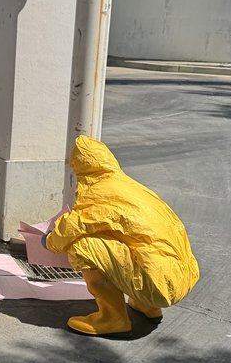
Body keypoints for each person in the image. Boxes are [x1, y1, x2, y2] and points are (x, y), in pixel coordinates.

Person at [42, 135, 200, 338]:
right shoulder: (128, 186)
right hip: (180, 276)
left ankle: (112, 319)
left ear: (80, 166)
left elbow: (75, 225)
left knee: (82, 246)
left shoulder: (98, 191)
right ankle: (147, 307)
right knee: (134, 245)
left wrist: (49, 241)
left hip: (159, 284)